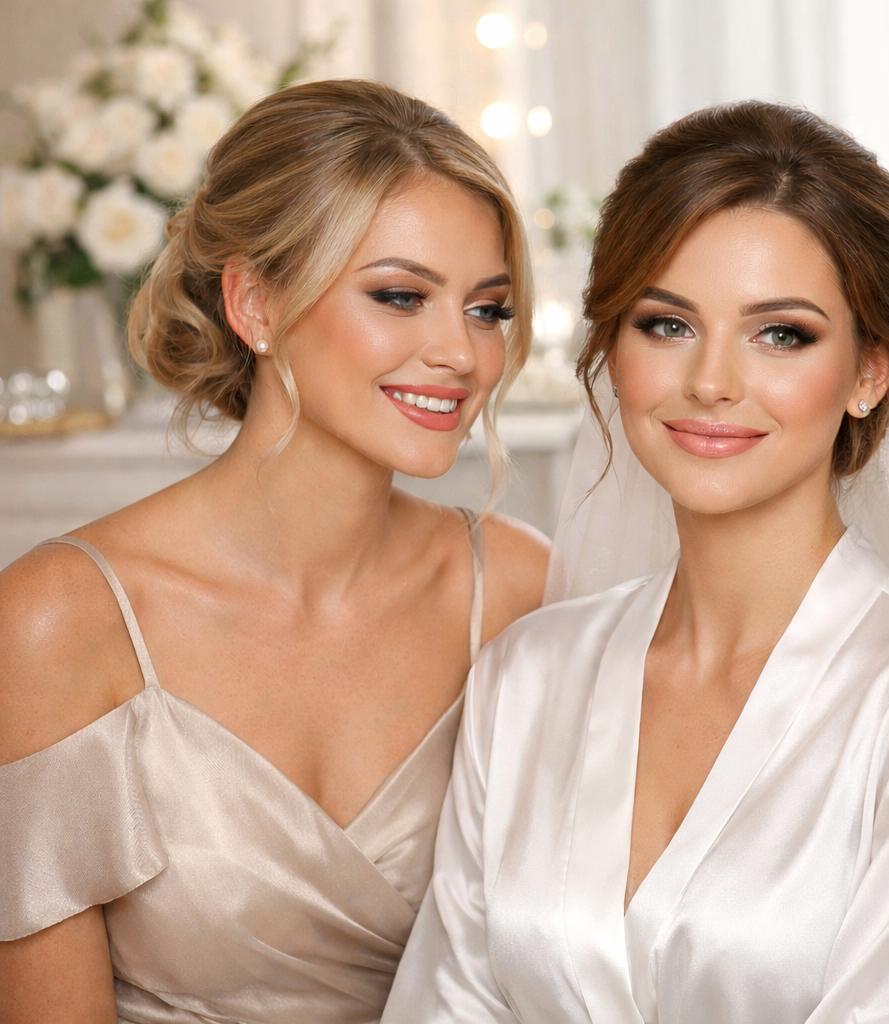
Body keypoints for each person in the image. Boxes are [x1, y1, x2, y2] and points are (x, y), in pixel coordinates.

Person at [385, 100, 889, 1024]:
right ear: (610, 351)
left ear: (870, 373)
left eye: (780, 334)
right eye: (666, 325)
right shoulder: (526, 676)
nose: (712, 381)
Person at [0, 80, 548, 1023]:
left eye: (487, 309)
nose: (461, 353)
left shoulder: (518, 591)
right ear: (253, 302)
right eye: (401, 296)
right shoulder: (60, 620)